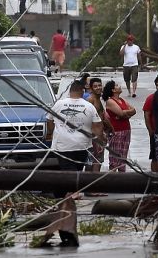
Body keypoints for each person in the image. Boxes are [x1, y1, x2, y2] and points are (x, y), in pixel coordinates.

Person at [45, 79, 102, 247]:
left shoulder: (59, 104)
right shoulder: (88, 106)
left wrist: (51, 132)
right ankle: (70, 198)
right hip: (82, 145)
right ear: (82, 90)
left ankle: (68, 203)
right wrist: (96, 140)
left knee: (69, 172)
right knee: (76, 170)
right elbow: (98, 125)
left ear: (70, 90)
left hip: (63, 145)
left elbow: (49, 121)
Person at [102, 80, 136, 172]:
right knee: (115, 158)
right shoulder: (110, 101)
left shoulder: (121, 100)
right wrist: (124, 114)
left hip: (126, 129)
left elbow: (134, 110)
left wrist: (125, 114)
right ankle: (112, 179)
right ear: (113, 90)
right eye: (116, 85)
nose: (119, 86)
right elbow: (121, 113)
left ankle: (122, 178)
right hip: (116, 131)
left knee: (123, 157)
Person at [85, 77, 113, 175]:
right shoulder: (90, 100)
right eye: (95, 86)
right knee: (93, 162)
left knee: (98, 161)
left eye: (100, 85)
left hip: (100, 136)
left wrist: (108, 131)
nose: (98, 88)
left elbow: (102, 118)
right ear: (91, 88)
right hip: (93, 137)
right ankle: (92, 188)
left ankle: (92, 188)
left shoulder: (98, 99)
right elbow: (86, 120)